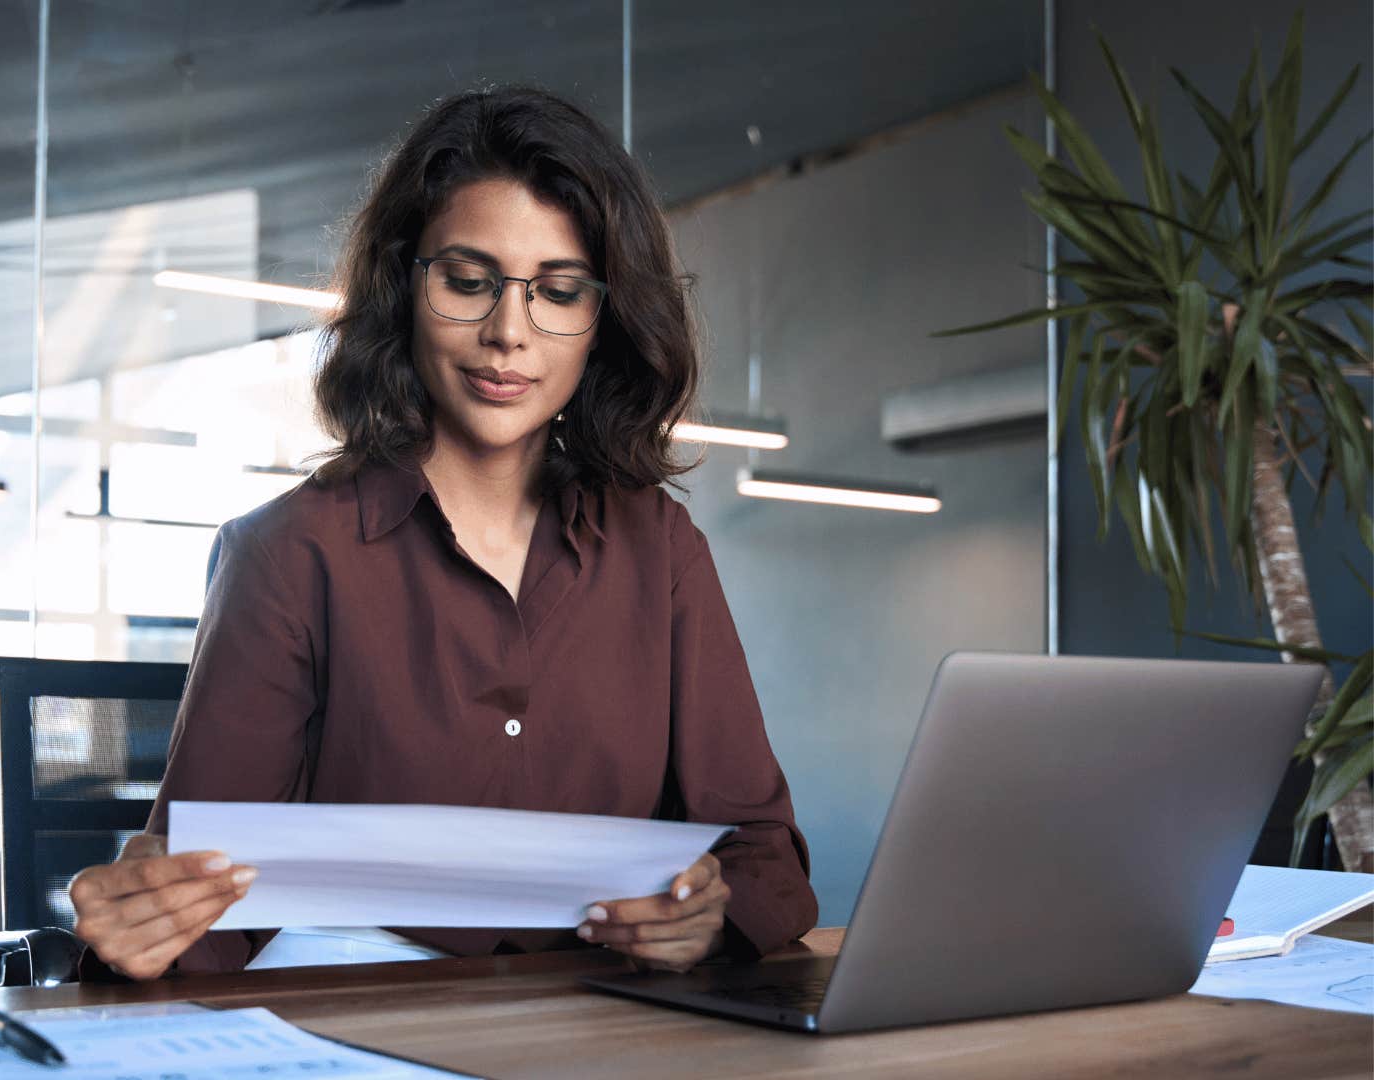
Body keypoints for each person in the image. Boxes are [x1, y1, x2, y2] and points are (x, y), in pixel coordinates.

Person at [67, 85, 817, 981]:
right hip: (362, 1018)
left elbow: (765, 858)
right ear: (404, 288)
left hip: (609, 1028)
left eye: (560, 291)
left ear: (601, 321)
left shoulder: (661, 552)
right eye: (468, 281)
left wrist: (708, 918)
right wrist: (140, 927)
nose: (509, 334)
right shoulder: (290, 554)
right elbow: (200, 906)